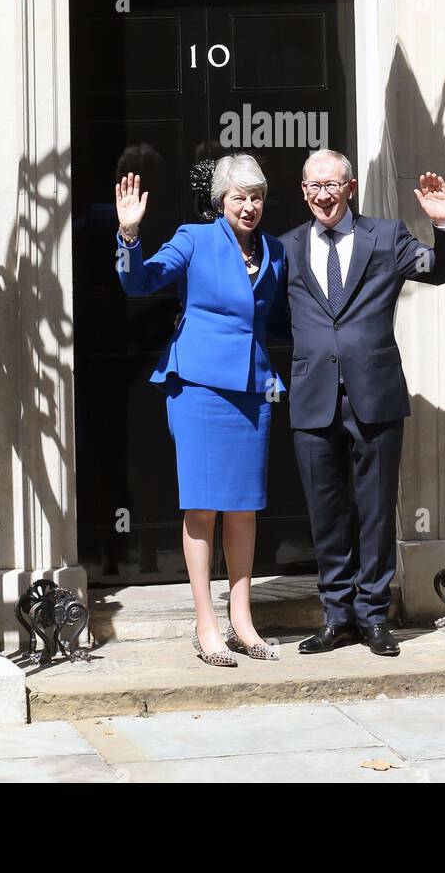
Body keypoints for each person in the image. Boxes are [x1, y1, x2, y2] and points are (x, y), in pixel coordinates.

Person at [280, 149, 445, 657]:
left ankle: (373, 615)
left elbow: (443, 269)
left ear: (351, 187)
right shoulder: (287, 247)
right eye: (313, 186)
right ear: (303, 191)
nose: (323, 194)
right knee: (326, 513)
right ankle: (336, 615)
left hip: (375, 396)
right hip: (313, 395)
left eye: (331, 185)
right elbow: (264, 314)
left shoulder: (384, 237)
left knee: (377, 510)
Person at [115, 154, 289, 666]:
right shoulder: (194, 237)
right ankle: (206, 622)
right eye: (240, 197)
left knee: (244, 507)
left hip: (253, 389)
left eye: (257, 196)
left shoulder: (275, 252)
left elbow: (278, 315)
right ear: (220, 201)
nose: (250, 206)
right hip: (197, 387)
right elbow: (139, 282)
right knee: (203, 505)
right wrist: (128, 236)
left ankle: (242, 620)